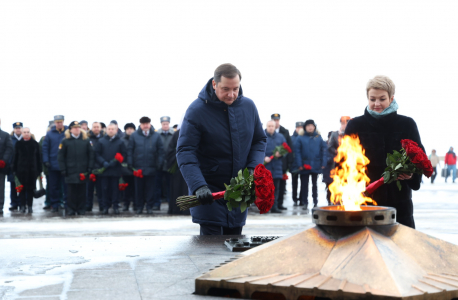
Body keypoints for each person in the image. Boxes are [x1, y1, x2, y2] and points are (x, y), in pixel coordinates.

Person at [177, 63, 266, 236]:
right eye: (225, 89)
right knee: (212, 254)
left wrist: (252, 171)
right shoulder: (197, 110)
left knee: (235, 249)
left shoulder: (248, 107)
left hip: (239, 190)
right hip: (209, 191)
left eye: (236, 89)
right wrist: (198, 186)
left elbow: (259, 140)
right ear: (214, 84)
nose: (231, 94)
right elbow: (185, 150)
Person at [345, 75, 425, 228]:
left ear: (391, 98)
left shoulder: (407, 124)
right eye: (372, 99)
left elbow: (419, 159)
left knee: (400, 248)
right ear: (367, 98)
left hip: (399, 205)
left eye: (382, 99)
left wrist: (412, 175)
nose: (377, 104)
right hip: (365, 202)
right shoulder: (355, 125)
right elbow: (343, 163)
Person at [127, 116, 164, 214]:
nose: (145, 126)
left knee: (150, 189)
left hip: (152, 167)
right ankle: (139, 207)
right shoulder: (134, 136)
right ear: (140, 125)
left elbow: (161, 151)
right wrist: (130, 163)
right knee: (138, 189)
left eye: (147, 123)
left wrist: (159, 163)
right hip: (138, 168)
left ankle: (149, 206)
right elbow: (130, 150)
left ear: (150, 124)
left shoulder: (156, 136)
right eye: (144, 124)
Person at [58, 121, 94, 215]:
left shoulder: (86, 140)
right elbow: (60, 157)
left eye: (78, 127)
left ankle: (81, 209)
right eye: (74, 127)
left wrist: (90, 167)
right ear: (70, 130)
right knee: (70, 192)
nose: (77, 129)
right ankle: (71, 209)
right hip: (70, 171)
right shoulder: (65, 141)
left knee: (82, 192)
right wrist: (63, 169)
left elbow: (91, 155)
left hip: (83, 171)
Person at [294, 119, 327, 210]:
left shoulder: (318, 137)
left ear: (314, 127)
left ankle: (315, 202)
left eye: (311, 125)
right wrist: (300, 164)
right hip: (304, 165)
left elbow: (323, 150)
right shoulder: (300, 138)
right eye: (308, 125)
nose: (310, 127)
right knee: (304, 185)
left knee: (315, 185)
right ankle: (305, 202)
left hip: (315, 164)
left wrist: (323, 163)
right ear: (305, 127)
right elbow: (297, 152)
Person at [95, 123, 127, 214]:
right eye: (109, 129)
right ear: (106, 130)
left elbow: (124, 154)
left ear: (116, 130)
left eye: (113, 129)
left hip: (115, 170)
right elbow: (96, 154)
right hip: (104, 170)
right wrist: (103, 162)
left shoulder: (120, 142)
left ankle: (115, 206)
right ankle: (105, 206)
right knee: (104, 189)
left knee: (115, 189)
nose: (111, 130)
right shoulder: (101, 141)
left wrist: (116, 162)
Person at [12, 127, 42, 213]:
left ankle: (29, 206)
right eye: (24, 132)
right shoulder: (18, 144)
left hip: (32, 171)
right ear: (22, 133)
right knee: (21, 190)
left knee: (30, 189)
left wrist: (39, 170)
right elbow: (15, 157)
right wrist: (14, 169)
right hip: (20, 171)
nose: (26, 133)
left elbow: (39, 158)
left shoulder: (35, 144)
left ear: (30, 133)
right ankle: (22, 206)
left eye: (27, 132)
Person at [43, 115, 68, 212]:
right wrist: (46, 160)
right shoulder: (49, 134)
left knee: (66, 186)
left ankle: (66, 203)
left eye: (61, 122)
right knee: (54, 186)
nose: (59, 123)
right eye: (57, 122)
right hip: (53, 164)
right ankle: (55, 204)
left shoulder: (67, 132)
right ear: (55, 123)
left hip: (65, 164)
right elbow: (45, 148)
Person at [323, 116, 351, 205]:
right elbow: (330, 147)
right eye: (343, 123)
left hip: (349, 162)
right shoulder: (335, 134)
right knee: (334, 182)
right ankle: (333, 200)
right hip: (337, 162)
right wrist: (338, 152)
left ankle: (346, 200)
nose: (345, 125)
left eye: (347, 123)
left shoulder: (352, 133)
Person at [166, 123, 190, 215]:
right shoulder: (176, 134)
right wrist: (178, 154)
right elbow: (170, 150)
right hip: (177, 168)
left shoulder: (195, 132)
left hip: (190, 167)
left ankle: (188, 210)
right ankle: (176, 209)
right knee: (177, 188)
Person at [271, 113, 293, 210]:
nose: (276, 122)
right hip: (269, 164)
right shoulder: (266, 131)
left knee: (281, 185)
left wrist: (289, 163)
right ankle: (270, 205)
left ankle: (279, 204)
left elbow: (289, 147)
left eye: (277, 120)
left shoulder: (285, 132)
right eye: (274, 120)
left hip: (282, 164)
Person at [264, 120, 286, 213]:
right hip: (266, 167)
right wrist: (263, 157)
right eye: (269, 126)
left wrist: (280, 153)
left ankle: (274, 207)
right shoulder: (262, 136)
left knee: (275, 189)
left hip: (277, 167)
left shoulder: (280, 137)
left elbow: (286, 149)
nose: (271, 128)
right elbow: (256, 149)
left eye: (272, 126)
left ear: (275, 127)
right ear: (266, 126)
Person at [154, 116, 175, 210]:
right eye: (163, 124)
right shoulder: (157, 135)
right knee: (157, 186)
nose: (165, 125)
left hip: (170, 164)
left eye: (167, 124)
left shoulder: (173, 134)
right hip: (159, 164)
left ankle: (171, 204)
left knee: (170, 186)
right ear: (161, 124)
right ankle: (156, 204)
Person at [86, 122, 105, 212]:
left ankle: (102, 205)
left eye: (98, 127)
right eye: (94, 127)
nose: (96, 129)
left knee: (101, 189)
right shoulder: (87, 139)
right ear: (92, 128)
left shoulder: (104, 138)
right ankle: (88, 205)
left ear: (101, 128)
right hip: (90, 167)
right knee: (89, 189)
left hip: (101, 168)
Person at [8, 122, 23, 211]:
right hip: (12, 167)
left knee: (21, 186)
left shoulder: (25, 139)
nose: (18, 129)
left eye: (19, 128)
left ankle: (21, 203)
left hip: (22, 167)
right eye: (16, 128)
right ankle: (14, 203)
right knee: (13, 186)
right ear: (14, 129)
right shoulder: (10, 139)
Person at [121, 123, 136, 211]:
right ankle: (125, 204)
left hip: (136, 167)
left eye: (131, 128)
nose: (129, 130)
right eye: (128, 129)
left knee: (135, 188)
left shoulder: (137, 139)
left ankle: (135, 204)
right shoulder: (122, 140)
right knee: (126, 188)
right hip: (125, 167)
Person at [0, 119, 13, 214]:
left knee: (0, 188)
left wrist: (4, 160)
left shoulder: (5, 135)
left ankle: (0, 206)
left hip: (1, 166)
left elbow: (9, 148)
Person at [291, 121, 304, 206]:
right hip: (293, 164)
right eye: (298, 127)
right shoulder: (291, 138)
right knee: (294, 183)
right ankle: (295, 199)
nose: (299, 129)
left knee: (303, 183)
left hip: (303, 164)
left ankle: (301, 199)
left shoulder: (304, 137)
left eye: (301, 127)